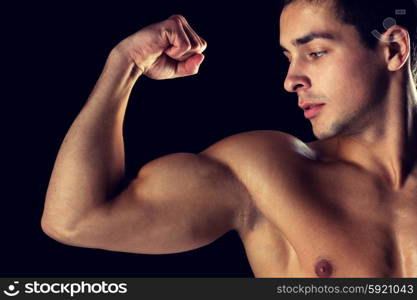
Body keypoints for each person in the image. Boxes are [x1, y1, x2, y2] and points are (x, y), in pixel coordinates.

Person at [41, 0, 417, 277]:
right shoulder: (269, 172)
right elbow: (74, 220)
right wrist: (125, 62)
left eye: (315, 52)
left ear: (393, 49)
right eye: (288, 57)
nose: (291, 80)